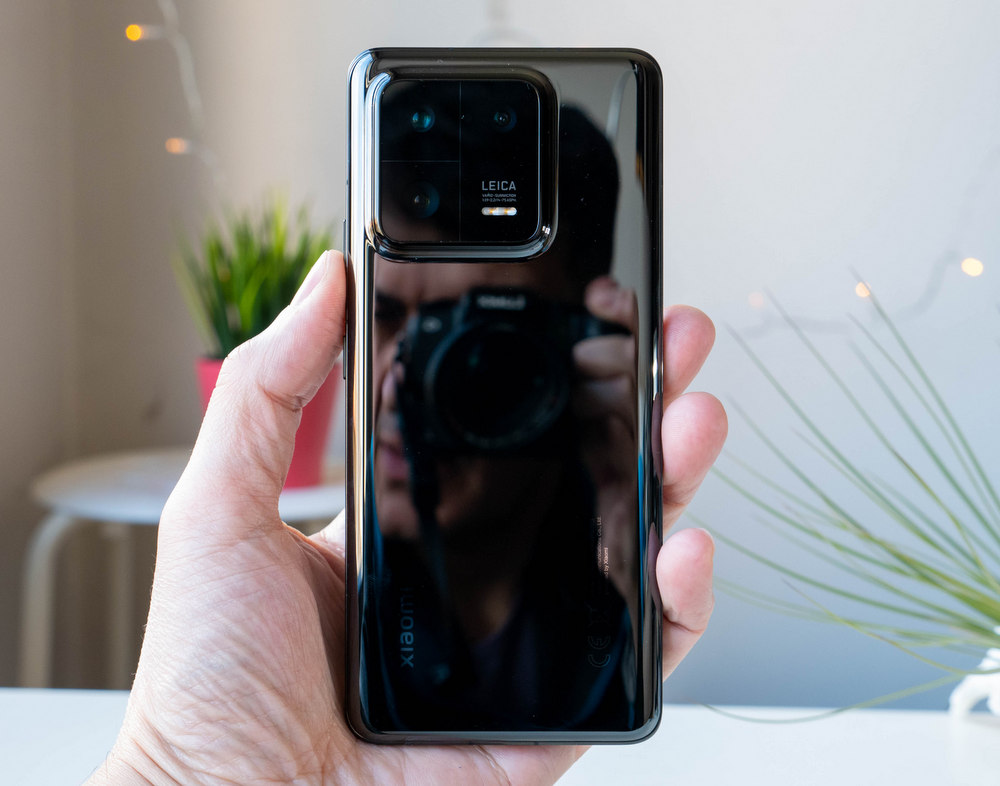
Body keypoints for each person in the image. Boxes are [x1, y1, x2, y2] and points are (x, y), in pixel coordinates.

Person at [85, 250, 726, 785]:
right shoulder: (318, 621)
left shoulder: (598, 635)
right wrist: (178, 773)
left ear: (562, 363)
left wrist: (608, 555)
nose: (404, 383)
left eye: (476, 344)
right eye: (386, 316)